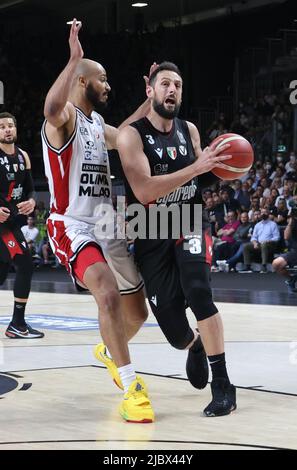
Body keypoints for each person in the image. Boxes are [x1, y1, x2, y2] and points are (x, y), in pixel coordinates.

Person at [42, 19, 154, 423]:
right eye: (102, 79)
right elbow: (51, 109)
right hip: (72, 225)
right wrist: (73, 58)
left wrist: (149, 101)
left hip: (108, 226)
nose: (108, 85)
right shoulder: (65, 119)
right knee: (106, 293)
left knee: (137, 314)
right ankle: (132, 389)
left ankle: (109, 351)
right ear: (82, 81)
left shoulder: (93, 124)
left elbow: (125, 134)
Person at [117, 61, 236, 417]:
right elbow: (144, 190)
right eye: (165, 83)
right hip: (149, 228)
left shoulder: (190, 130)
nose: (173, 90)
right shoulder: (131, 135)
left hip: (187, 219)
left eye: (178, 85)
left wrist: (225, 170)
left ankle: (223, 385)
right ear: (150, 91)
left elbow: (199, 180)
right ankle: (194, 345)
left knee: (199, 290)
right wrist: (198, 168)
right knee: (173, 329)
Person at [0, 112, 44, 339]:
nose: (7, 129)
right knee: (25, 263)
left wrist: (33, 200)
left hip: (14, 221)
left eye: (10, 126)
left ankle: (17, 323)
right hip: (3, 226)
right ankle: (17, 324)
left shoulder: (23, 156)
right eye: (2, 127)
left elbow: (31, 188)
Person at [241, 207, 280, 273]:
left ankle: (264, 266)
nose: (263, 214)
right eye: (262, 212)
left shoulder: (273, 224)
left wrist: (268, 241)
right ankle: (247, 266)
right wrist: (255, 243)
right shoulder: (257, 225)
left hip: (270, 244)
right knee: (245, 246)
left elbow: (277, 237)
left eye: (265, 212)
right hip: (258, 244)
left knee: (263, 245)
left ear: (268, 213)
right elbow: (253, 237)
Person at [272, 205, 297, 293]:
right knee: (276, 264)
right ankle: (291, 279)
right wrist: (291, 222)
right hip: (295, 251)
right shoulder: (293, 223)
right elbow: (286, 236)